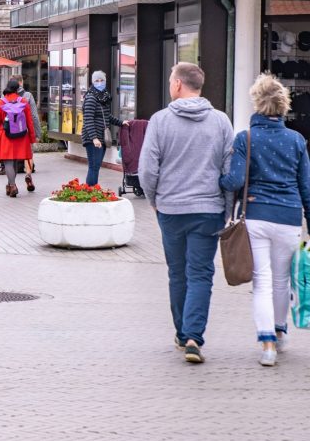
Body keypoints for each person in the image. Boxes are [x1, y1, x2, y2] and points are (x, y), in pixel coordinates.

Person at [138, 62, 234, 364]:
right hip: (208, 210)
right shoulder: (221, 122)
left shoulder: (160, 121)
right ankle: (194, 336)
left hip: (171, 209)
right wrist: (228, 208)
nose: (169, 85)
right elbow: (229, 168)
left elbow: (147, 168)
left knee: (177, 272)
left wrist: (154, 199)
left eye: (170, 80)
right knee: (201, 273)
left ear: (179, 84)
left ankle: (181, 333)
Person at [218, 74, 310, 367]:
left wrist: (220, 178)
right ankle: (281, 333)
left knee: (262, 282)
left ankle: (267, 344)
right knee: (283, 280)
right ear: (284, 106)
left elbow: (233, 180)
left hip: (256, 216)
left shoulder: (245, 138)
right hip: (289, 218)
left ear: (257, 103)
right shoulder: (297, 140)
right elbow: (306, 186)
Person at [0, 80, 36, 197]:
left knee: (8, 162)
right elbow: (29, 121)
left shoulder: (0, 102)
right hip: (21, 135)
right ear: (18, 89)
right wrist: (32, 137)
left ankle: (13, 185)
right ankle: (10, 185)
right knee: (15, 160)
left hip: (5, 135)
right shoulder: (23, 101)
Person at [82, 70, 128, 186]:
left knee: (96, 166)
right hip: (93, 138)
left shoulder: (103, 98)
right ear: (93, 82)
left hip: (100, 137)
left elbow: (107, 116)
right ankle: (90, 192)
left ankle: (91, 191)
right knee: (94, 166)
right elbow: (88, 119)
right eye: (97, 81)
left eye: (101, 80)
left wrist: (121, 123)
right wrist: (94, 138)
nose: (99, 83)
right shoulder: (91, 98)